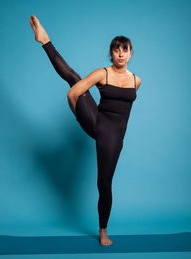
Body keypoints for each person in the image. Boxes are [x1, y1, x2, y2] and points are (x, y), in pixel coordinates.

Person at [30, 14, 141, 246]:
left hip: (114, 135)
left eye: (125, 49)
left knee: (104, 183)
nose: (120, 53)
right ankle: (45, 40)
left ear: (131, 53)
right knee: (74, 78)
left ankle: (102, 229)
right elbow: (73, 94)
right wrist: (79, 115)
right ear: (111, 53)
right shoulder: (103, 73)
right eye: (116, 49)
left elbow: (124, 113)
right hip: (96, 122)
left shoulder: (136, 81)